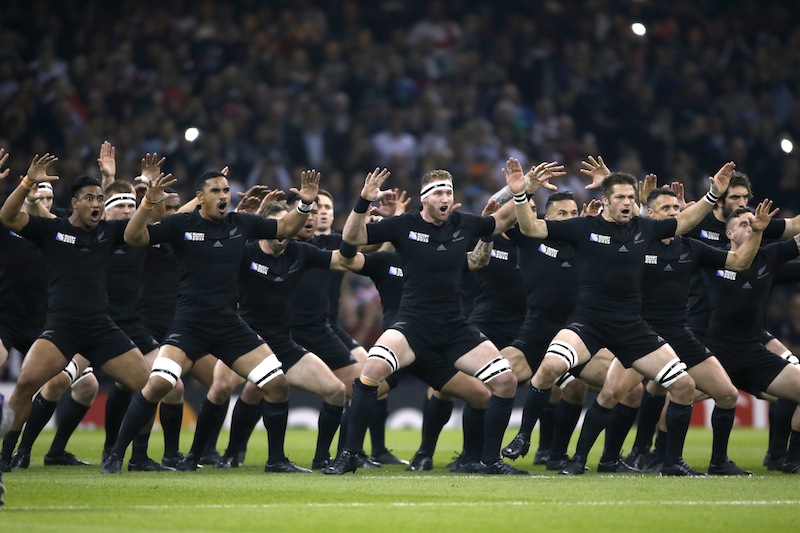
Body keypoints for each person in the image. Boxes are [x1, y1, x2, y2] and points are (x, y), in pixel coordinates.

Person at [507, 156, 735, 476]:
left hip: (631, 325)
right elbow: (530, 227)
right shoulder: (583, 227)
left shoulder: (644, 228)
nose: (627, 202)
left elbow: (683, 223)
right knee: (550, 367)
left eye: (631, 197)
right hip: (589, 320)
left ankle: (671, 463)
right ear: (605, 201)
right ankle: (523, 436)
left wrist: (712, 196)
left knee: (683, 385)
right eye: (620, 197)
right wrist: (520, 195)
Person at [101, 167, 319, 474]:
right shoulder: (181, 224)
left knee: (277, 383)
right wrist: (148, 202)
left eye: (226, 190)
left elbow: (285, 227)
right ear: (200, 197)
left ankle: (276, 460)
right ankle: (116, 455)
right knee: (159, 384)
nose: (223, 196)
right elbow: (133, 236)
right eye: (215, 191)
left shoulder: (240, 223)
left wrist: (305, 203)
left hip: (229, 324)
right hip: (190, 324)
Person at [327, 165, 527, 475]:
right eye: (439, 192)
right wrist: (364, 200)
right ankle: (350, 454)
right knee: (371, 371)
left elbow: (500, 221)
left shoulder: (463, 223)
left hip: (453, 326)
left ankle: (490, 462)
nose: (446, 197)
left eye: (449, 192)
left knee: (505, 381)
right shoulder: (403, 225)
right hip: (413, 324)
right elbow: (351, 239)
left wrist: (521, 191)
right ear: (425, 198)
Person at [564, 188, 773, 476]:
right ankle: (582, 459)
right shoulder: (637, 243)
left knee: (727, 394)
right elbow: (616, 219)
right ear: (650, 215)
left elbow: (739, 262)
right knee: (611, 393)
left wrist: (757, 233)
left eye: (676, 208)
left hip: (679, 333)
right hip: (640, 334)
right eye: (666, 209)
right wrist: (610, 191)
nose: (673, 213)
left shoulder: (692, 247)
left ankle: (702, 462)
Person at [0, 154, 152, 479]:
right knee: (26, 383)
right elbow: (8, 216)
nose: (97, 203)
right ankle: (6, 453)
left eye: (100, 198)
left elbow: (137, 229)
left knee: (148, 384)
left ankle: (120, 454)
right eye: (90, 198)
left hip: (101, 328)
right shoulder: (52, 229)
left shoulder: (108, 232)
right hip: (62, 328)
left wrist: (149, 199)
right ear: (74, 203)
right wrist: (27, 182)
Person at [702, 206, 800, 474]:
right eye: (743, 224)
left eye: (753, 223)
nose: (750, 227)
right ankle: (665, 457)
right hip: (716, 352)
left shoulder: (770, 256)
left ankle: (792, 460)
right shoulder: (713, 258)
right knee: (675, 390)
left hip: (753, 352)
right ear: (729, 234)